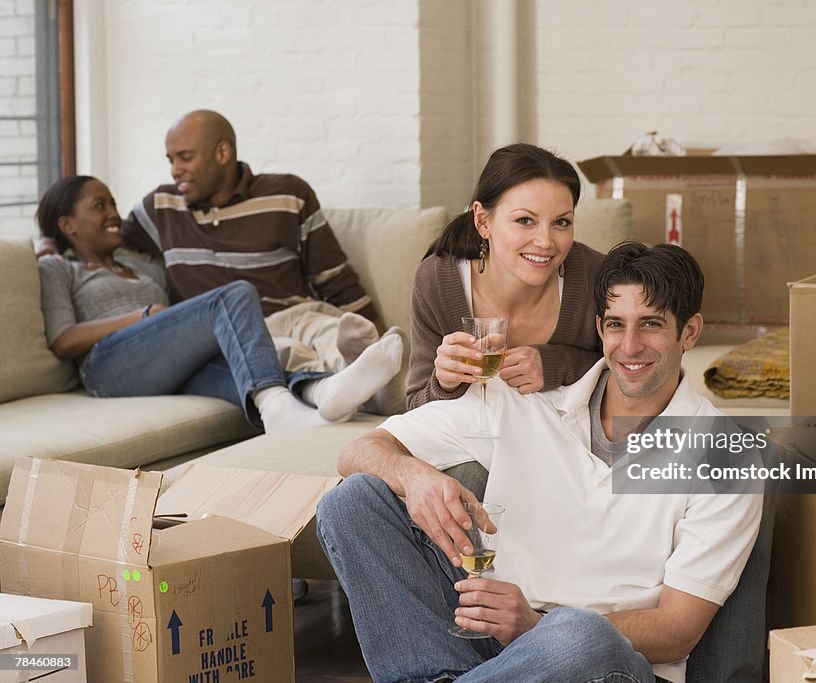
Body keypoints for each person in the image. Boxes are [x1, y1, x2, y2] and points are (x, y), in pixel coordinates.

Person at [317, 241, 763, 683]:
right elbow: (357, 451)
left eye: (650, 325)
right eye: (615, 325)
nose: (629, 346)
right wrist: (414, 476)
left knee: (578, 633)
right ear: (599, 327)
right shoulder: (519, 403)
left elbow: (676, 631)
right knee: (350, 502)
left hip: (606, 662)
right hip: (490, 647)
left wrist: (537, 626)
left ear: (689, 332)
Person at [35, 176, 403, 432]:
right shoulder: (57, 268)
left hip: (162, 367)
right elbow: (62, 340)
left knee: (246, 363)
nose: (114, 213)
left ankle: (322, 391)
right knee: (234, 294)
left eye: (113, 203)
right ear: (68, 225)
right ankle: (276, 407)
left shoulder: (139, 262)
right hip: (107, 368)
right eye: (100, 206)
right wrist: (143, 315)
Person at [115, 110, 393, 396]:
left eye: (185, 158)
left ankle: (365, 362)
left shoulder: (288, 194)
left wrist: (378, 331)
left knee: (329, 331)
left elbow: (333, 275)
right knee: (283, 352)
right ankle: (340, 383)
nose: (175, 169)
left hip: (299, 314)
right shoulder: (161, 207)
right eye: (171, 160)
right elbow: (107, 239)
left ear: (222, 152)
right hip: (240, 333)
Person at [407, 143, 604, 410]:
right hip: (472, 438)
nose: (546, 242)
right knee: (366, 449)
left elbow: (641, 374)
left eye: (561, 222)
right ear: (483, 221)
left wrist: (559, 364)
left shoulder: (596, 277)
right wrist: (444, 383)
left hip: (563, 436)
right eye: (525, 220)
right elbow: (416, 408)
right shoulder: (437, 281)